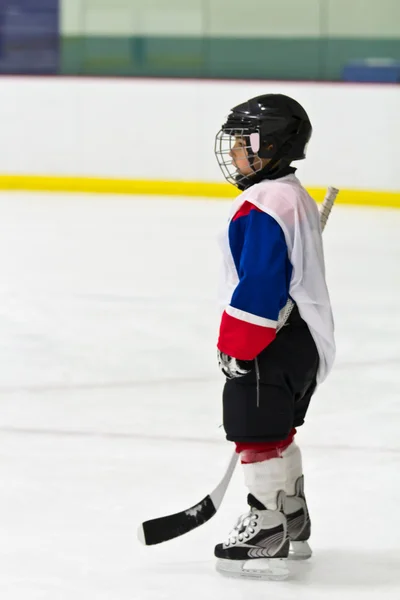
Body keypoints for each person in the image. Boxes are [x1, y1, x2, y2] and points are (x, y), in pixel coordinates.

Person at [213, 93, 335, 580]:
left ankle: (266, 526)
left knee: (255, 432)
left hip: (269, 340)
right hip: (300, 338)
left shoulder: (264, 205)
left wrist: (236, 345)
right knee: (277, 431)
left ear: (271, 145)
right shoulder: (290, 194)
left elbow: (261, 284)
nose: (236, 153)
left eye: (244, 143)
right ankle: (291, 517)